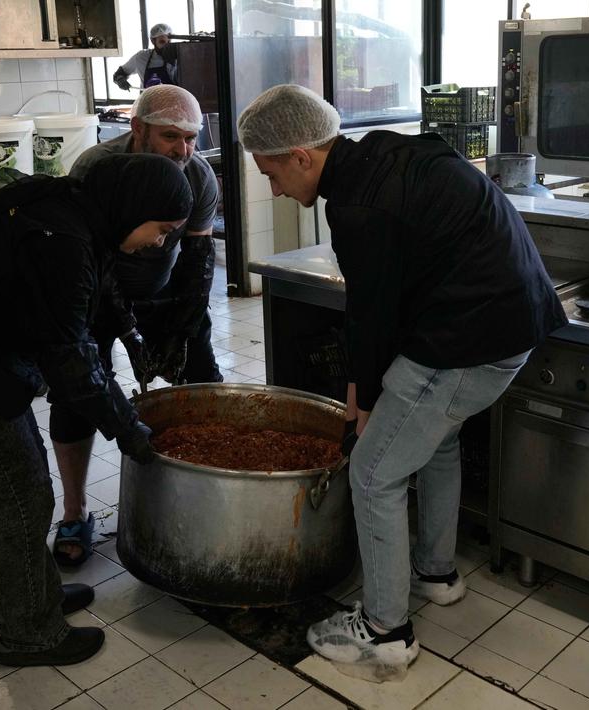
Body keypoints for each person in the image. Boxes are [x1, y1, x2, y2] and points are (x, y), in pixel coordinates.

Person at [237, 85, 567, 681]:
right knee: (436, 442)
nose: (274, 189)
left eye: (272, 173)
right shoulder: (387, 151)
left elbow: (372, 317)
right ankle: (436, 574)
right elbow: (384, 303)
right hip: (514, 323)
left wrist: (363, 410)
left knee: (372, 474)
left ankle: (385, 631)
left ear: (301, 155)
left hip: (465, 340)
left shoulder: (356, 207)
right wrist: (360, 400)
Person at [0, 154, 193, 667]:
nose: (160, 243)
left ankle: (36, 598)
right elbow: (72, 364)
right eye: (161, 230)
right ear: (134, 207)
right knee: (20, 506)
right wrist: (130, 431)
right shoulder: (61, 240)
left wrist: (130, 332)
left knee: (30, 489)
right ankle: (29, 634)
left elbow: (102, 282)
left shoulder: (79, 210)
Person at [47, 83, 221, 567]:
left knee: (202, 378)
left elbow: (198, 260)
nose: (183, 150)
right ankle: (75, 512)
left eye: (191, 138)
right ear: (138, 128)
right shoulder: (97, 168)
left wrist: (181, 330)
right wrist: (127, 330)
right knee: (76, 394)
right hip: (97, 289)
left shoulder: (199, 175)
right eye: (171, 137)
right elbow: (90, 259)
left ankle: (210, 493)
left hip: (165, 289)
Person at [114, 23, 179, 90]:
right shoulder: (141, 57)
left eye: (169, 41)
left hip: (173, 96)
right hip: (148, 96)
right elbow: (119, 73)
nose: (167, 45)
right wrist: (120, 80)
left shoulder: (178, 58)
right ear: (153, 41)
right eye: (162, 42)